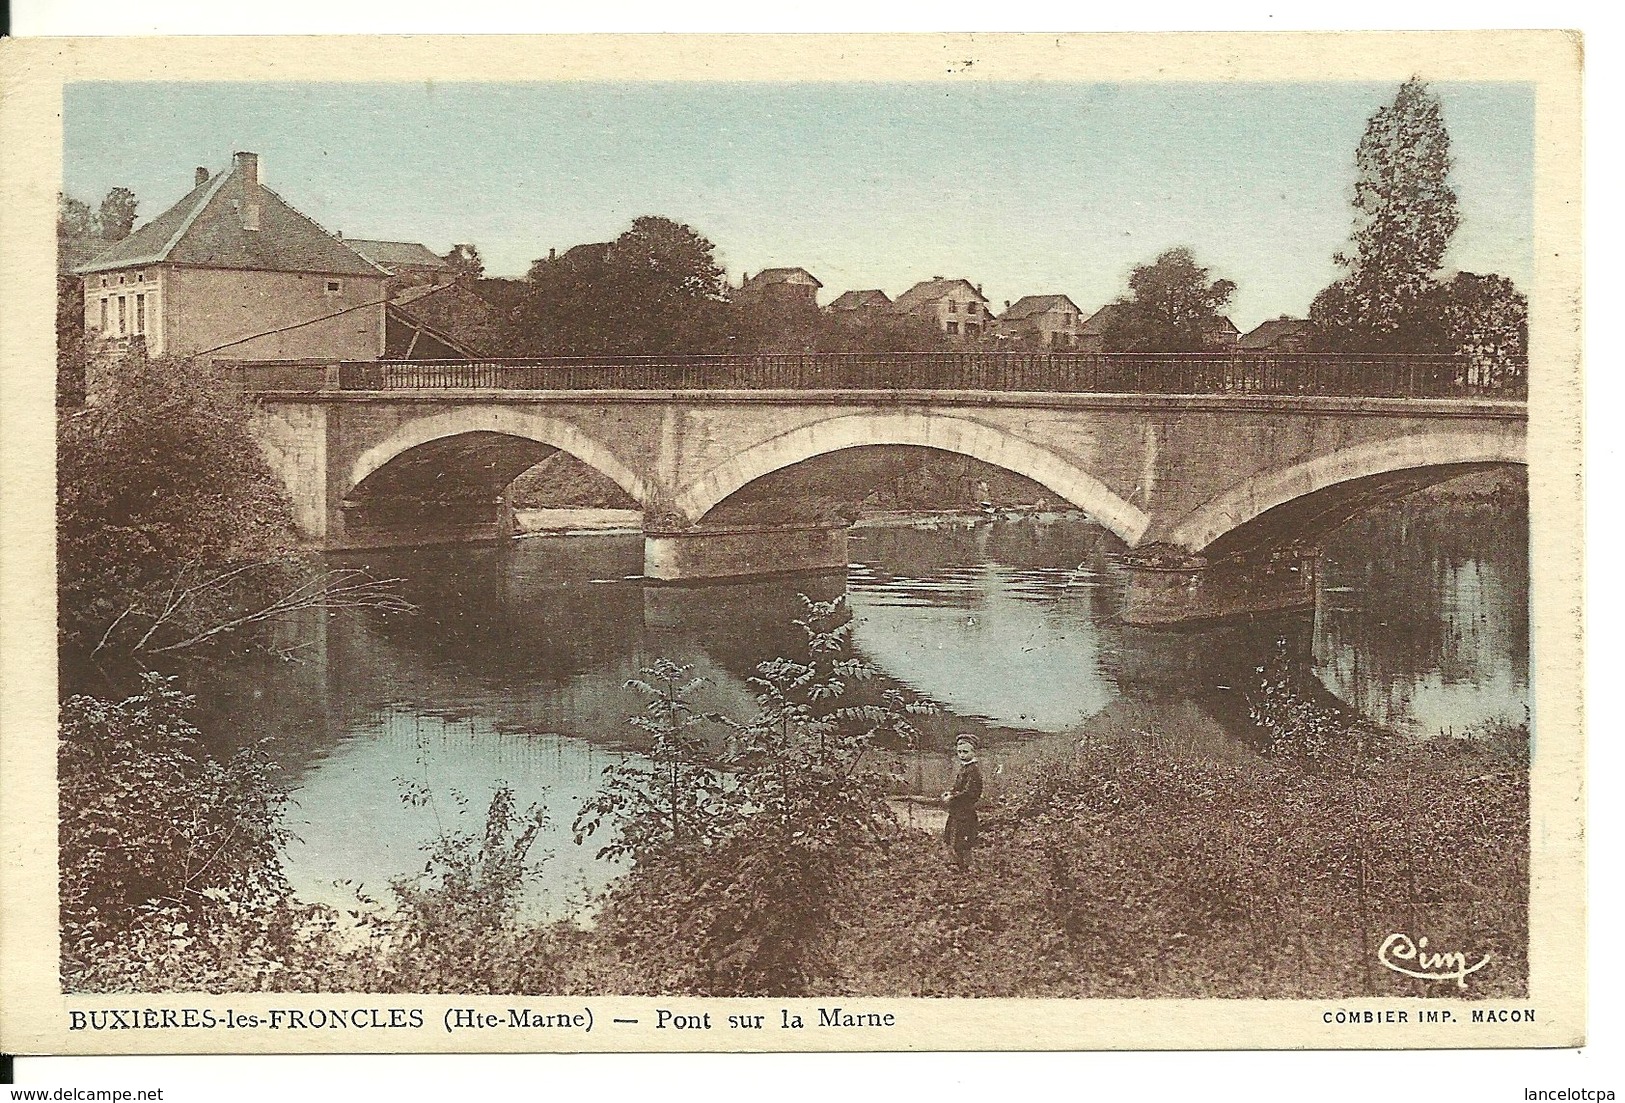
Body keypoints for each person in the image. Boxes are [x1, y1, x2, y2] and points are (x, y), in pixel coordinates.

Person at [941, 733, 984, 870]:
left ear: (974, 752)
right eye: (959, 752)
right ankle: (957, 864)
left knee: (962, 839)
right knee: (950, 837)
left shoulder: (973, 771)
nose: (961, 755)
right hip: (957, 810)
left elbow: (970, 793)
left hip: (965, 811)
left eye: (965, 752)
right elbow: (958, 786)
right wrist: (950, 792)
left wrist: (952, 798)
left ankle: (965, 867)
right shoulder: (964, 768)